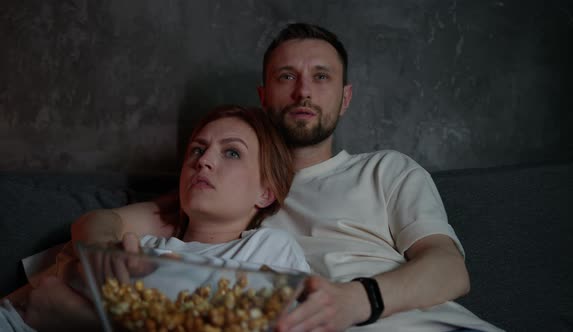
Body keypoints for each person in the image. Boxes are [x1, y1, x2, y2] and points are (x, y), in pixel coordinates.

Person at [39, 23, 503, 332]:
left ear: (344, 98)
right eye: (287, 76)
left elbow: (449, 268)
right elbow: (101, 224)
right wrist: (104, 256)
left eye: (321, 77)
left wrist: (357, 301)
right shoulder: (227, 190)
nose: (303, 91)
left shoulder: (386, 170)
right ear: (265, 95)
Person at [6, 105, 310, 331]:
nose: (203, 161)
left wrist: (81, 318)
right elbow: (29, 301)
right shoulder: (137, 243)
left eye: (231, 153)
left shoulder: (268, 249)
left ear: (265, 193)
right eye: (197, 150)